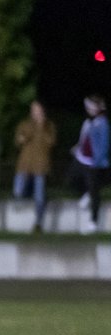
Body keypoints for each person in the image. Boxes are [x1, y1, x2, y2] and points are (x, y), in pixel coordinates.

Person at [12, 101, 57, 234]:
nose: (36, 113)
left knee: (40, 196)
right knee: (18, 192)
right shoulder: (25, 124)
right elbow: (18, 141)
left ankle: (38, 222)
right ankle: (28, 191)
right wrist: (25, 136)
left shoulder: (49, 126)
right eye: (34, 110)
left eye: (38, 110)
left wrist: (42, 128)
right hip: (25, 165)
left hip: (40, 166)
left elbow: (51, 143)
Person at [70, 94, 109, 235]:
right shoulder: (88, 122)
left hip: (94, 163)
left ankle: (93, 222)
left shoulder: (102, 123)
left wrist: (97, 163)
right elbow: (84, 138)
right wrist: (77, 148)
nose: (89, 109)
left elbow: (103, 146)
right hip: (81, 159)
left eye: (92, 107)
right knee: (72, 180)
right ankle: (86, 194)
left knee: (95, 192)